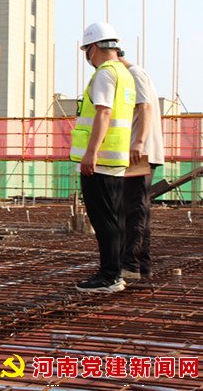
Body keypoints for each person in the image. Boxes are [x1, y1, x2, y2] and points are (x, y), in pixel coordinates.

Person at [71, 22, 136, 293]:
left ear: (94, 47)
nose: (87, 55)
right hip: (115, 158)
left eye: (86, 49)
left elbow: (104, 113)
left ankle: (110, 276)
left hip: (101, 161)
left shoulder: (105, 73)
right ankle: (114, 271)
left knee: (104, 220)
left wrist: (91, 153)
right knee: (115, 219)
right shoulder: (124, 73)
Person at [119, 56, 165, 281]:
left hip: (139, 153)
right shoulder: (137, 74)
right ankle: (141, 266)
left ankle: (132, 265)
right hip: (139, 152)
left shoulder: (134, 74)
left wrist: (138, 142)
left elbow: (144, 107)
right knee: (138, 208)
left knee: (135, 208)